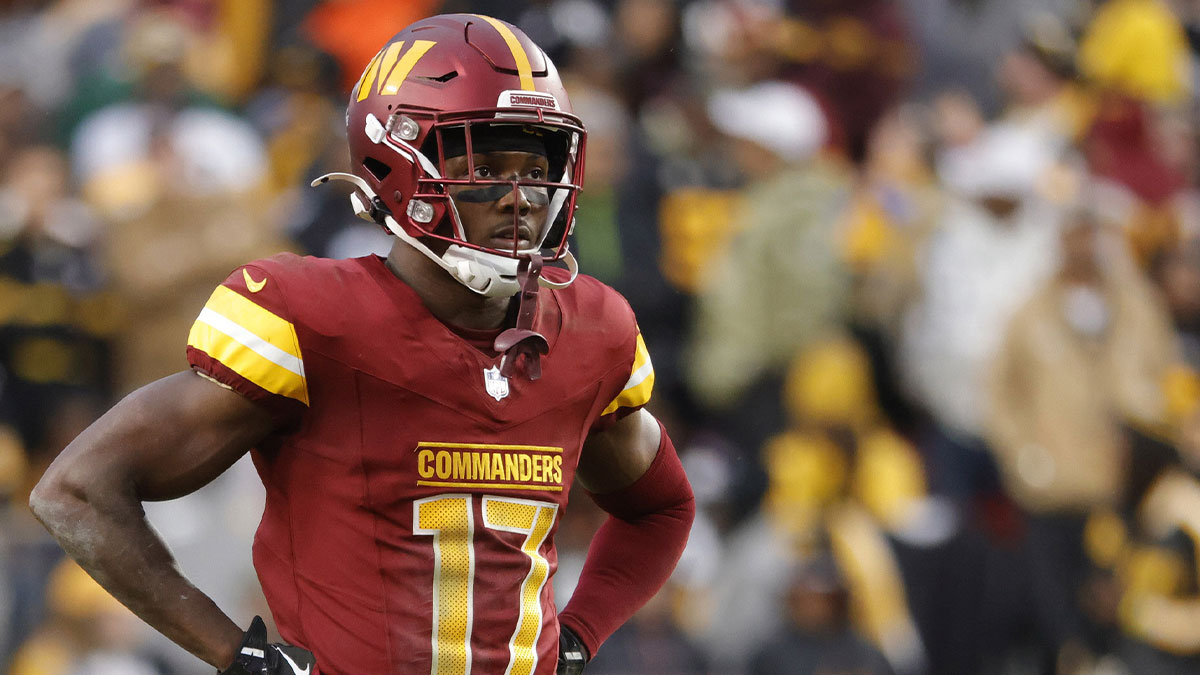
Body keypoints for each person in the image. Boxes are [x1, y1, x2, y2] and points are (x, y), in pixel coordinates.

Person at [27, 14, 695, 675]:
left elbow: (664, 505)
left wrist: (579, 633)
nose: (520, 196)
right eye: (486, 162)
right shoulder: (318, 322)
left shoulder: (591, 330)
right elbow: (77, 489)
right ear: (395, 158)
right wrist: (239, 656)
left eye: (537, 164)